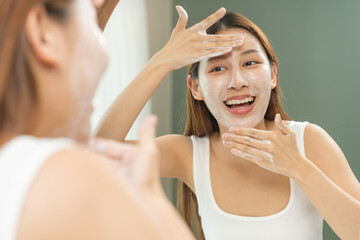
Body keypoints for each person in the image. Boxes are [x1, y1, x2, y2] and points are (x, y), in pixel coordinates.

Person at [96, 10, 360, 240]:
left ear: (273, 75)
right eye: (218, 68)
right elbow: (97, 152)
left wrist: (299, 168)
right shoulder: (189, 155)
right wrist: (161, 62)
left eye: (250, 63)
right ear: (195, 88)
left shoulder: (308, 141)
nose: (237, 81)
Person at [0, 0, 237, 239]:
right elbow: (100, 144)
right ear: (43, 33)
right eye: (91, 18)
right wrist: (150, 197)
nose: (237, 82)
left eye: (250, 62)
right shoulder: (60, 176)